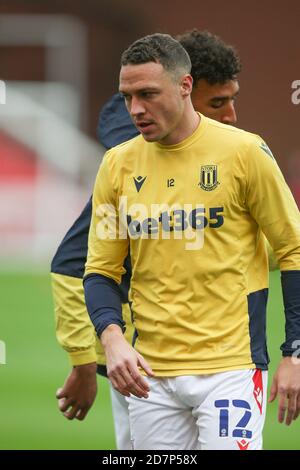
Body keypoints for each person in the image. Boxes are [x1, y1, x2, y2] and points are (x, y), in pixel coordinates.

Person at [83, 33, 300, 450]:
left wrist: (294, 353)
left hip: (230, 370)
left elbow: (293, 251)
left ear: (185, 86)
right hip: (150, 377)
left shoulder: (246, 153)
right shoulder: (116, 165)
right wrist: (111, 339)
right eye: (127, 97)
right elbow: (100, 271)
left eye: (148, 94)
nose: (136, 109)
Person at [51, 30, 243, 449]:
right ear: (186, 89)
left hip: (221, 357)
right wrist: (86, 360)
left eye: (233, 100)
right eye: (218, 102)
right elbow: (74, 264)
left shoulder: (230, 156)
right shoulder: (127, 166)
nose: (231, 114)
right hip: (142, 358)